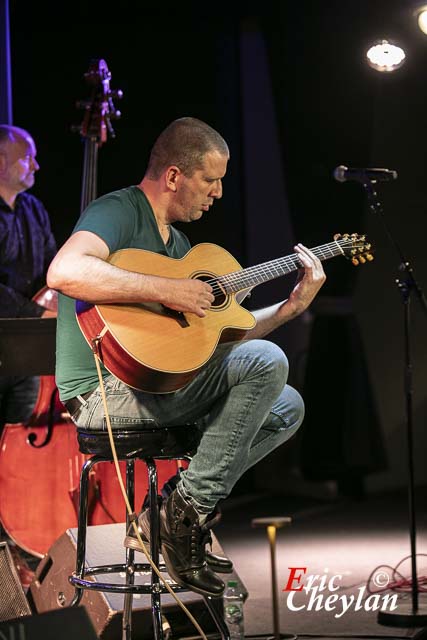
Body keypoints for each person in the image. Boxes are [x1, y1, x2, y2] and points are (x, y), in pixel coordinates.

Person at [47, 117, 326, 598]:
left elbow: (219, 344)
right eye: (211, 179)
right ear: (174, 176)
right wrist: (169, 290)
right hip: (102, 397)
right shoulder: (118, 210)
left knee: (288, 407)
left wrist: (289, 307)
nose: (218, 192)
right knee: (266, 360)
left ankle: (165, 516)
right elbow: (64, 270)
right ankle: (185, 516)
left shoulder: (178, 246)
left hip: (160, 390)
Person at [0, 124, 57, 587]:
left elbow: (54, 266)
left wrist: (56, 291)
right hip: (5, 332)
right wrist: (30, 310)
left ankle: (19, 539)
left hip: (29, 344)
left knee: (24, 435)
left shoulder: (34, 208)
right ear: (1, 163)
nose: (36, 165)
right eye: (28, 157)